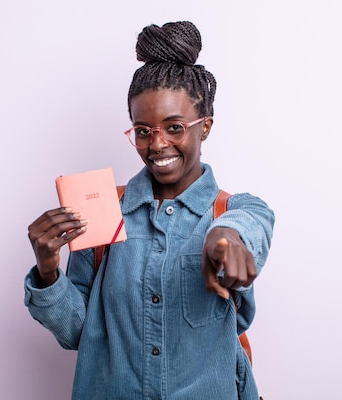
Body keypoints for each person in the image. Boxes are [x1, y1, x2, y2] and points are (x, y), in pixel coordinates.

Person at [24, 21, 275, 400]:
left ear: (204, 127)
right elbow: (79, 333)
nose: (157, 144)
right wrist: (47, 270)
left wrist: (224, 238)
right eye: (143, 130)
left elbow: (251, 222)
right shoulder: (103, 211)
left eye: (174, 127)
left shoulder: (232, 210)